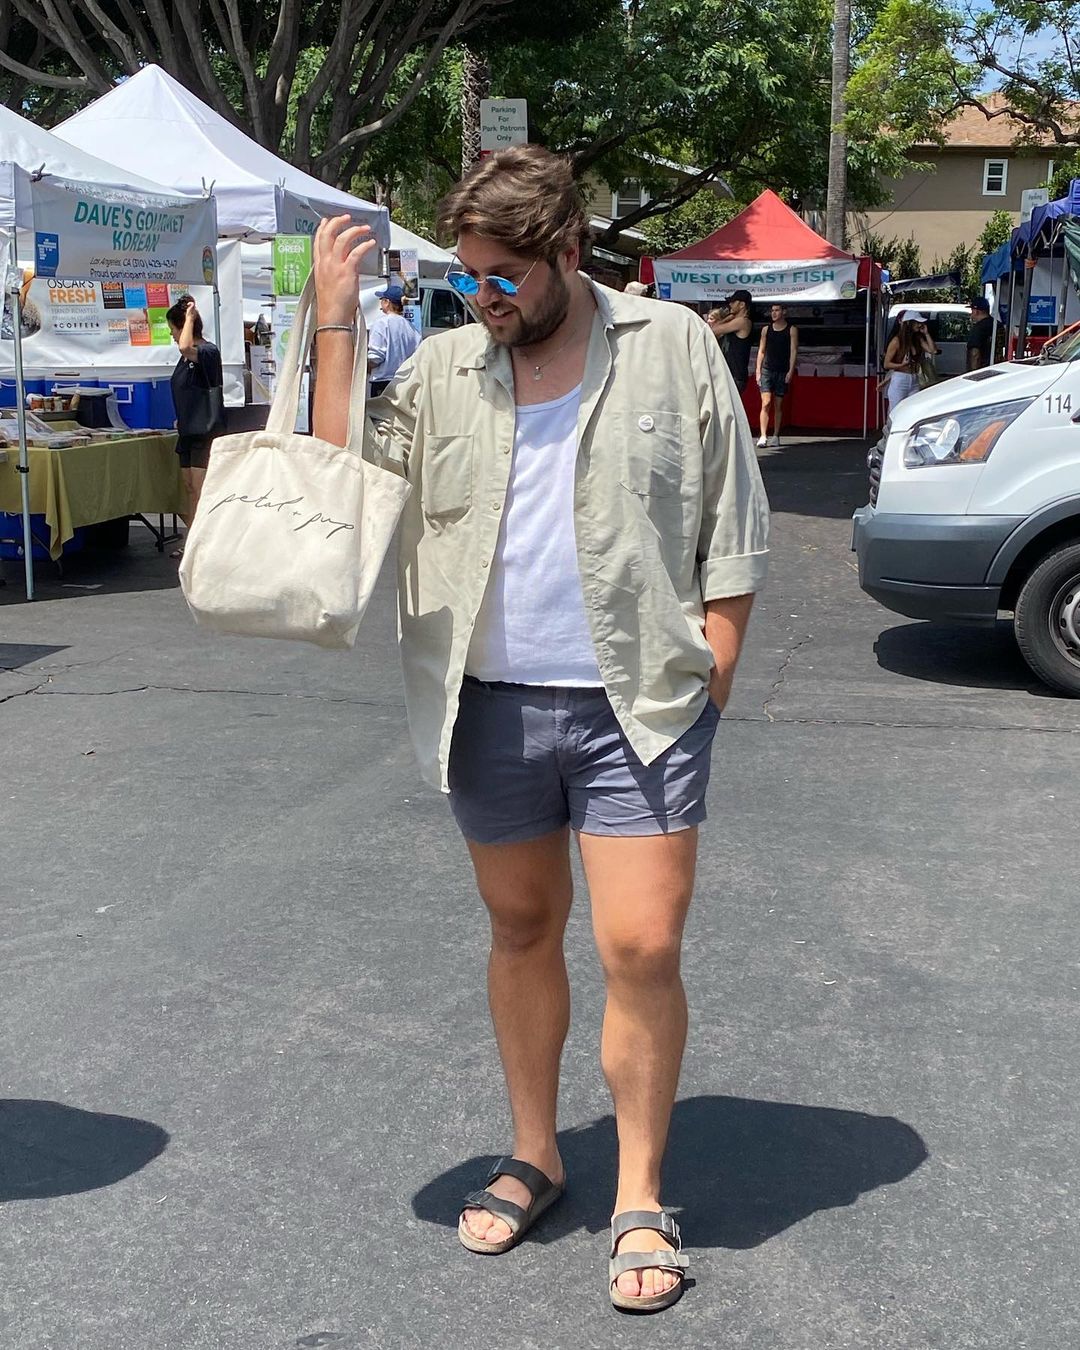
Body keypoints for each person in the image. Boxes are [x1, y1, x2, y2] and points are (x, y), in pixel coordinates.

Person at [310, 145, 769, 1314]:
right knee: (521, 929)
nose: (483, 295)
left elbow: (733, 526)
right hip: (492, 706)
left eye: (504, 274)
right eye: (468, 275)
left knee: (641, 947)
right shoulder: (446, 369)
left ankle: (642, 1194)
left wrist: (711, 677)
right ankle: (537, 1153)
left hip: (640, 708)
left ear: (568, 250)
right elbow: (339, 477)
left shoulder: (671, 346)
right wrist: (336, 322)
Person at [166, 295, 225, 542]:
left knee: (202, 490)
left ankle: (207, 541)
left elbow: (185, 347)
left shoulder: (207, 352)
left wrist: (189, 316)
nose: (171, 334)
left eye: (173, 329)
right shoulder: (184, 359)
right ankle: (193, 540)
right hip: (188, 431)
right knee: (190, 488)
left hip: (205, 432)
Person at [755, 302, 798, 448]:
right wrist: (758, 370)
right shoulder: (766, 329)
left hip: (782, 370)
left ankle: (776, 435)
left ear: (784, 312)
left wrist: (790, 371)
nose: (774, 313)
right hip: (767, 370)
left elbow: (793, 351)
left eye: (777, 310)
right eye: (772, 310)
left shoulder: (791, 330)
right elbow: (761, 351)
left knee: (778, 404)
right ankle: (763, 435)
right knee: (766, 402)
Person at [367, 283, 421, 396]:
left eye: (382, 300)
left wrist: (365, 368)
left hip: (383, 382)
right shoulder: (411, 328)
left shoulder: (381, 324)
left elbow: (376, 357)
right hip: (405, 382)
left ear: (387, 302)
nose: (381, 303)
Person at [883, 311, 939, 414]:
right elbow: (886, 364)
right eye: (916, 322)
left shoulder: (917, 338)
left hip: (914, 378)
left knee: (913, 411)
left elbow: (933, 350)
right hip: (900, 378)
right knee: (896, 411)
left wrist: (926, 334)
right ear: (909, 323)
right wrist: (901, 365)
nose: (919, 325)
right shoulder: (896, 341)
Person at [706, 289, 754, 394]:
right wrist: (728, 317)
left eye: (733, 302)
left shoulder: (743, 321)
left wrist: (728, 318)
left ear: (742, 305)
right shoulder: (734, 321)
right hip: (729, 375)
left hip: (735, 376)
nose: (730, 304)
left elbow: (713, 331)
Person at [967, 296, 994, 370]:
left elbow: (975, 354)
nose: (971, 314)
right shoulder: (997, 325)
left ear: (976, 311)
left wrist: (974, 372)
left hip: (983, 370)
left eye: (972, 310)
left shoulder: (978, 328)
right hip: (999, 367)